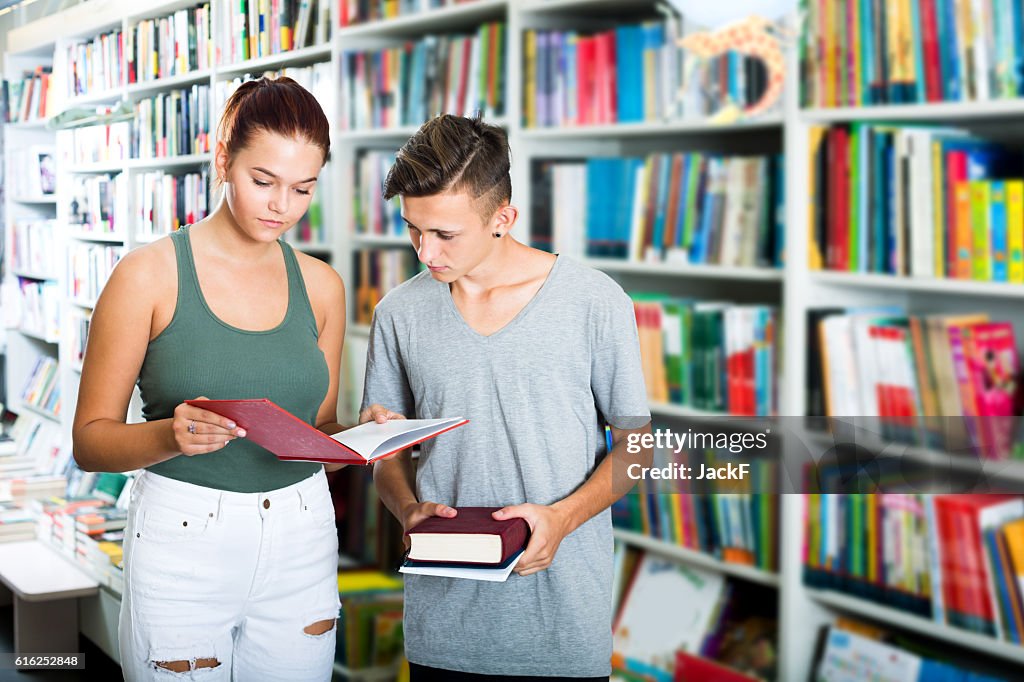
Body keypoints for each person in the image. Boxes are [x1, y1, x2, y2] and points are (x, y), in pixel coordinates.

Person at [360, 114, 653, 681]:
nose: (425, 251)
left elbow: (637, 448)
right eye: (413, 229)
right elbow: (387, 458)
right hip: (440, 627)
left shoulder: (594, 301)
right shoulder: (398, 312)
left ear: (503, 218)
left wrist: (562, 520)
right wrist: (406, 507)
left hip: (561, 626)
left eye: (445, 235)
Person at [72, 77, 347, 681]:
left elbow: (315, 431)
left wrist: (361, 438)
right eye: (263, 181)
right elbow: (90, 442)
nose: (282, 206)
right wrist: (171, 435)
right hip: (184, 539)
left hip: (303, 535)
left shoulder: (323, 286)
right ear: (223, 158)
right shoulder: (146, 276)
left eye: (303, 188)